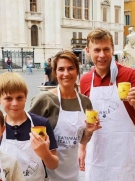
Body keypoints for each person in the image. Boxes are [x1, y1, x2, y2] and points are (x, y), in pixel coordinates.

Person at [79, 28, 135, 181]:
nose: (102, 55)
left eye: (106, 49)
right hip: (96, 155)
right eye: (96, 50)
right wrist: (82, 148)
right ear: (88, 50)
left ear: (112, 49)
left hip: (123, 155)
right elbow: (85, 120)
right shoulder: (85, 80)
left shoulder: (129, 74)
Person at [29, 50, 101, 181]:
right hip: (45, 173)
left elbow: (81, 140)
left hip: (71, 172)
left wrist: (89, 132)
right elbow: (27, 135)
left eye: (71, 68)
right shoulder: (44, 100)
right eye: (61, 69)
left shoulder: (85, 102)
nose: (66, 73)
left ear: (77, 71)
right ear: (55, 73)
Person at [0, 72, 59, 180]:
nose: (15, 103)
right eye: (8, 98)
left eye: (19, 98)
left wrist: (45, 154)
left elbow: (54, 165)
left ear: (26, 97)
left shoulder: (41, 124)